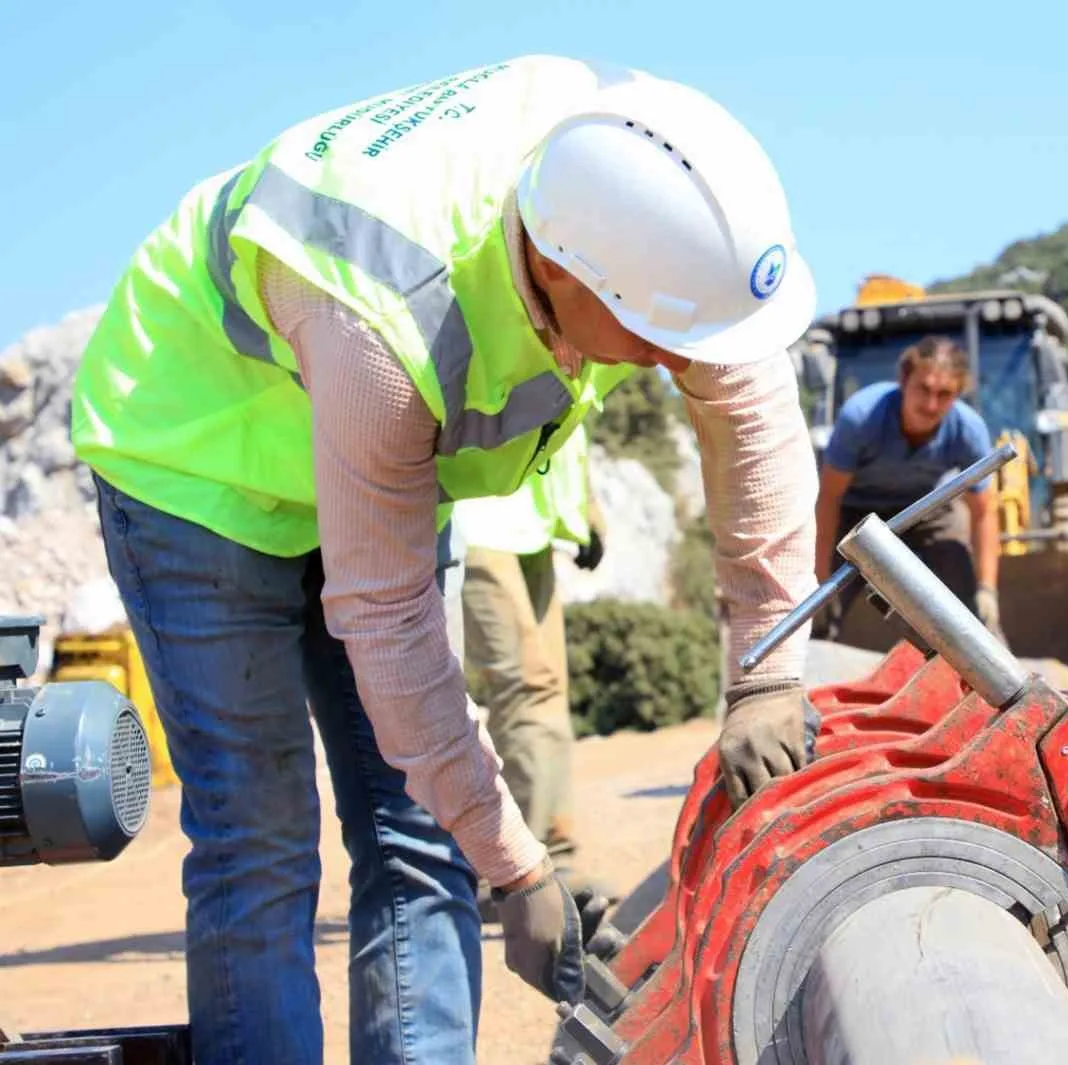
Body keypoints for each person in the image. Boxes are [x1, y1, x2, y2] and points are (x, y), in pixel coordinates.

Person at [69, 54, 820, 1065]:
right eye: (657, 339)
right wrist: (514, 870)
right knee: (261, 840)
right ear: (557, 272)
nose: (677, 364)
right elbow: (386, 623)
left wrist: (767, 675)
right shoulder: (391, 316)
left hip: (367, 443)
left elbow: (753, 418)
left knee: (415, 828)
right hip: (198, 462)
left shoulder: (633, 181)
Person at [450, 424, 609, 917]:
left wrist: (585, 503)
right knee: (526, 684)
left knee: (547, 687)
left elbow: (573, 409)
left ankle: (547, 854)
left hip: (532, 522)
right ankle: (522, 867)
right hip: (471, 516)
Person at [814, 336, 1003, 637]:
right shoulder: (862, 417)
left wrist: (987, 589)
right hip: (855, 515)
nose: (930, 404)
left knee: (970, 602)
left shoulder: (968, 431)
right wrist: (819, 578)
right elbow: (829, 498)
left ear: (957, 395)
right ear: (904, 380)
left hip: (925, 509)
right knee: (820, 605)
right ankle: (816, 649)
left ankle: (997, 670)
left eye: (943, 394)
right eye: (924, 389)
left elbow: (983, 512)